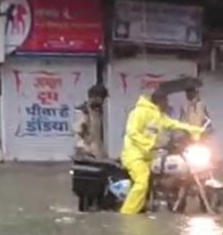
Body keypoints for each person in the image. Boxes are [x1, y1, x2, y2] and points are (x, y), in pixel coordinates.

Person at [120, 82, 205, 215]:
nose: (168, 103)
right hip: (134, 155)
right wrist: (148, 144)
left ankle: (164, 201)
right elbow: (132, 132)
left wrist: (196, 130)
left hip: (151, 155)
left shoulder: (159, 116)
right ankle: (126, 215)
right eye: (166, 100)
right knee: (142, 182)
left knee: (169, 171)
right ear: (159, 100)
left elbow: (175, 124)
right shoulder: (138, 112)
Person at [73, 84, 108, 158]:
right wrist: (83, 150)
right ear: (95, 97)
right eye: (102, 98)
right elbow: (79, 133)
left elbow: (97, 135)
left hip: (96, 151)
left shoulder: (97, 111)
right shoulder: (83, 111)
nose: (103, 101)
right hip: (86, 153)